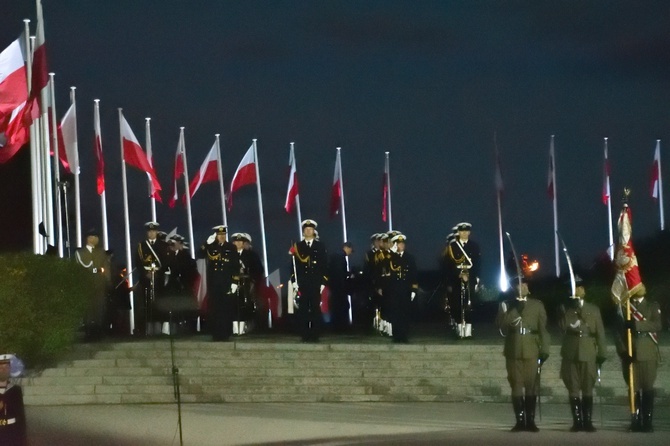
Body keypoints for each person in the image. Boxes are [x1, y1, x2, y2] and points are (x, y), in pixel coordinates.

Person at [496, 280, 550, 432]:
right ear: (515, 288)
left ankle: (530, 421)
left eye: (526, 284)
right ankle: (520, 421)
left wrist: (545, 349)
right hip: (513, 350)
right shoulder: (506, 304)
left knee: (531, 386)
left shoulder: (537, 305)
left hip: (531, 349)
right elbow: (502, 326)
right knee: (516, 386)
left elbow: (543, 330)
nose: (524, 287)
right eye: (520, 284)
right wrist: (514, 310)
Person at [558, 278, 607, 432]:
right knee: (573, 387)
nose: (576, 291)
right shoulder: (566, 308)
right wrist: (568, 311)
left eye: (579, 288)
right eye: (573, 288)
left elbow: (600, 333)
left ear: (584, 291)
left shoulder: (593, 309)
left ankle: (588, 421)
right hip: (571, 352)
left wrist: (602, 352)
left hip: (588, 350)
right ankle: (577, 421)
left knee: (587, 387)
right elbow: (561, 326)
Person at [618, 283, 662, 432]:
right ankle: (635, 421)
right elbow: (617, 332)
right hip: (630, 353)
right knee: (633, 389)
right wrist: (623, 351)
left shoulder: (652, 306)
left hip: (647, 353)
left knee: (648, 388)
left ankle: (647, 422)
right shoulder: (625, 307)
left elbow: (657, 325)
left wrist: (637, 325)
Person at [198, 225, 240, 341]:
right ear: (216, 235)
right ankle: (216, 333)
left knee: (226, 309)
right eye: (219, 235)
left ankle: (225, 333)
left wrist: (234, 281)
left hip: (226, 282)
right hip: (214, 282)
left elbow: (235, 265)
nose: (221, 237)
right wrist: (207, 243)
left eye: (223, 235)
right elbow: (200, 254)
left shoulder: (231, 247)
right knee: (215, 309)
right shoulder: (211, 247)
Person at [290, 219, 328, 342]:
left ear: (314, 231)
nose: (308, 231)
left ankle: (315, 334)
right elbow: (293, 265)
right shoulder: (298, 246)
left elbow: (325, 265)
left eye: (310, 229)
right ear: (303, 231)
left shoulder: (320, 246)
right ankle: (304, 334)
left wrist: (323, 281)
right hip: (303, 282)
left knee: (316, 309)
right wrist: (294, 280)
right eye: (306, 229)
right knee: (303, 310)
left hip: (316, 282)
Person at [444, 222, 481, 339]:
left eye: (466, 231)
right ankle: (460, 329)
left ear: (469, 232)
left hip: (470, 279)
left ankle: (469, 331)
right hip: (456, 279)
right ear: (458, 232)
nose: (464, 233)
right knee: (457, 304)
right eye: (462, 231)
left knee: (469, 304)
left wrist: (473, 276)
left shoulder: (474, 246)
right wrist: (458, 274)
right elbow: (448, 265)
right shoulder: (452, 247)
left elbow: (478, 264)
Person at [75, 228, 111, 340]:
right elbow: (82, 268)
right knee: (88, 308)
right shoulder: (80, 253)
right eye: (93, 237)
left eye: (96, 237)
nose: (96, 239)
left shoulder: (101, 252)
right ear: (88, 238)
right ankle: (88, 330)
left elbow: (106, 268)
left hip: (100, 284)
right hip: (86, 284)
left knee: (99, 307)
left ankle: (98, 330)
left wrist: (108, 282)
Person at [134, 221, 170, 335]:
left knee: (159, 301)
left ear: (157, 232)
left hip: (158, 278)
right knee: (146, 302)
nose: (151, 233)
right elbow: (138, 262)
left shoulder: (163, 245)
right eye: (149, 231)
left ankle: (161, 327)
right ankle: (146, 328)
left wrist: (159, 272)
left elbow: (166, 262)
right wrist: (146, 273)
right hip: (146, 277)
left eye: (153, 231)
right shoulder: (141, 245)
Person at [386, 234, 418, 343]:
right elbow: (385, 266)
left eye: (402, 243)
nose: (401, 245)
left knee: (404, 313)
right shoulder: (391, 257)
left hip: (406, 289)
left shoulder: (410, 257)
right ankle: (396, 335)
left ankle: (404, 335)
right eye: (398, 244)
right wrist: (392, 253)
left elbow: (414, 274)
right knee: (395, 313)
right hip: (394, 289)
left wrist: (414, 289)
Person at [0, 354, 26, 446]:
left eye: (6, 367)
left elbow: (20, 416)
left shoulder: (15, 390)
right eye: (1, 367)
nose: (3, 370)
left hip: (11, 432)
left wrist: (22, 439)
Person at [328, 241, 354, 331]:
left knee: (337, 306)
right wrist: (348, 274)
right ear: (347, 248)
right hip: (339, 287)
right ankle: (341, 326)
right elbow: (339, 272)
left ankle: (337, 326)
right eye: (351, 250)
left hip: (334, 286)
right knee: (342, 306)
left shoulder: (336, 256)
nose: (350, 253)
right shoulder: (340, 257)